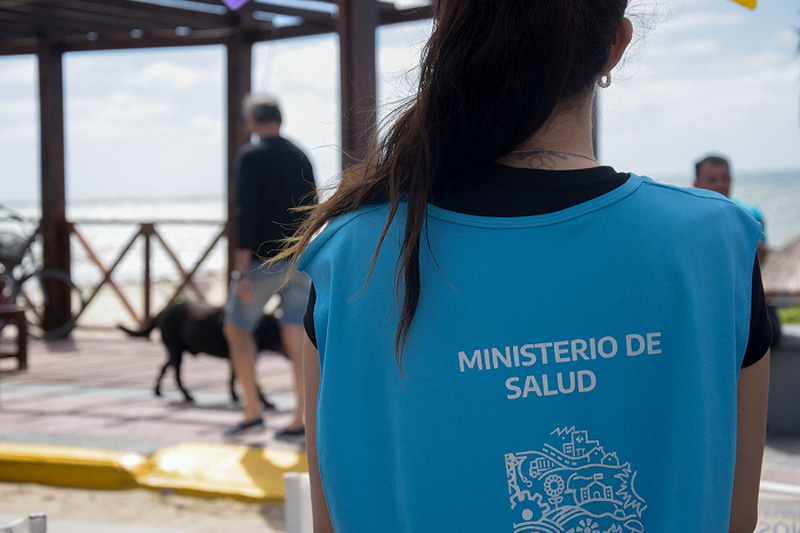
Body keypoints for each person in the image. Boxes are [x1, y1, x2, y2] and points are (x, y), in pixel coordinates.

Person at [279, 2, 770, 531]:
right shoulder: (715, 247)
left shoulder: (354, 258)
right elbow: (735, 516)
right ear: (615, 46)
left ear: (453, 35)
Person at [222, 95, 316, 438]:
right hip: (300, 261)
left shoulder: (250, 156)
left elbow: (246, 213)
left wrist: (241, 270)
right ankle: (300, 418)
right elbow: (314, 209)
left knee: (236, 328)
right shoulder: (300, 154)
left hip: (262, 262)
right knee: (296, 333)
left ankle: (252, 411)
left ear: (253, 122)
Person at [695, 154, 782, 346]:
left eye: (725, 178)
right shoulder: (690, 222)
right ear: (696, 183)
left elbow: (758, 260)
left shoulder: (749, 215)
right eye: (712, 180)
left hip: (745, 299)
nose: (721, 185)